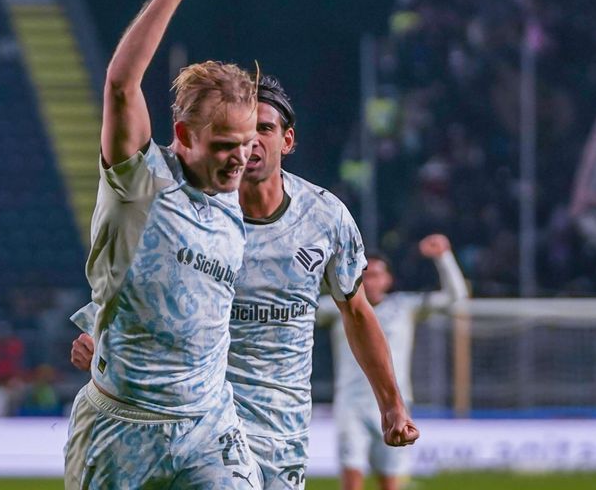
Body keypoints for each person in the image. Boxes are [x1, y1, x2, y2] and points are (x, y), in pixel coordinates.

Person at [72, 74, 420, 489]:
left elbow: (357, 313)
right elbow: (144, 280)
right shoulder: (196, 211)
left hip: (280, 428)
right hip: (201, 421)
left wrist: (391, 405)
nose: (251, 141)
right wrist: (100, 334)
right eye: (242, 131)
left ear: (287, 140)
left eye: (264, 129)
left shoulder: (325, 217)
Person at [63, 0, 261, 489]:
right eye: (225, 144)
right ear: (184, 137)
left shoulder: (233, 191)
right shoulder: (141, 182)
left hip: (208, 425)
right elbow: (122, 86)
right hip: (121, 427)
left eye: (247, 142)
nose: (241, 157)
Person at [319, 235, 468, 490]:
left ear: (388, 279)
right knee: (351, 480)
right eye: (365, 275)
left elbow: (456, 297)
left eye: (377, 275)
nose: (370, 281)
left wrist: (443, 257)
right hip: (350, 405)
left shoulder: (404, 307)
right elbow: (296, 309)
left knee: (390, 481)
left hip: (395, 404)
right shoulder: (338, 308)